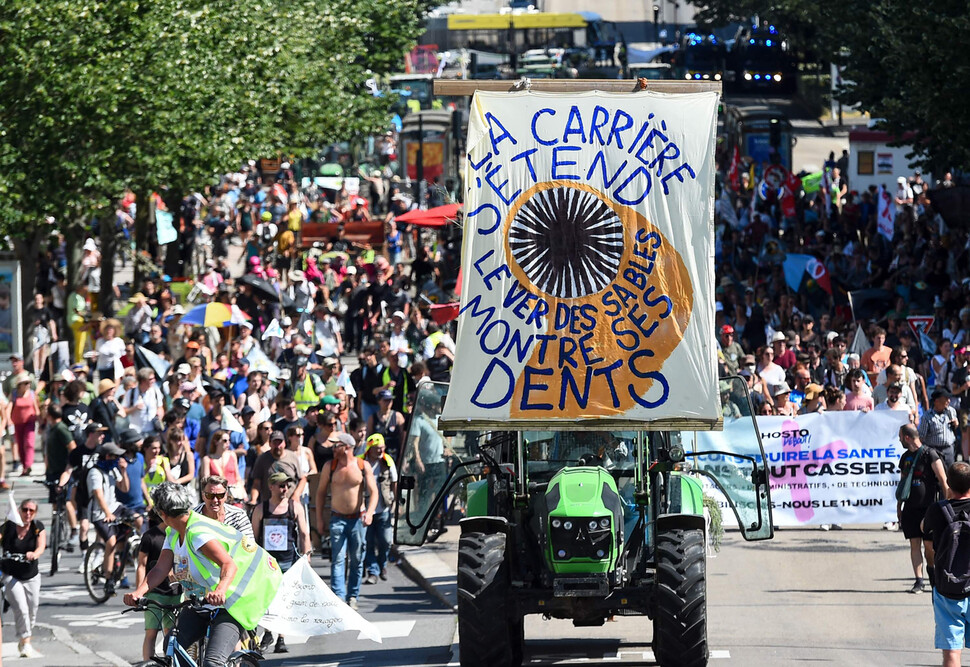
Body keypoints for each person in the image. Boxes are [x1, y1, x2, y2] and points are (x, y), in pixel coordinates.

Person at [124, 483, 282, 667]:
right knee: (172, 647)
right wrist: (139, 592)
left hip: (233, 600)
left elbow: (228, 564)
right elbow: (160, 568)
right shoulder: (173, 531)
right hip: (202, 599)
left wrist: (221, 591)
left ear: (162, 513)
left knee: (212, 663)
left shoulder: (197, 533)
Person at [315, 432, 378, 609]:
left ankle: (352, 596)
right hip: (337, 519)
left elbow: (374, 492)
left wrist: (370, 512)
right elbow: (320, 493)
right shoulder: (330, 466)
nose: (333, 449)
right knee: (338, 559)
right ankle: (338, 598)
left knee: (357, 559)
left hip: (357, 519)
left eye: (337, 445)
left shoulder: (362, 465)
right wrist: (319, 519)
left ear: (347, 447)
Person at [251, 471, 310, 654]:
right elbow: (252, 536)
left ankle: (281, 638)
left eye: (287, 485)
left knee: (284, 600)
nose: (285, 489)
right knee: (268, 599)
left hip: (288, 561)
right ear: (271, 487)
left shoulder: (295, 507)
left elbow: (304, 533)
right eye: (281, 485)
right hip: (267, 562)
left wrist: (306, 556)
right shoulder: (262, 509)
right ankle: (268, 631)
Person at [922, 462, 970, 667]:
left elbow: (924, 529)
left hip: (947, 588)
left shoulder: (937, 510)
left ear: (948, 483)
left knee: (952, 652)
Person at [897, 424, 948, 594]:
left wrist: (947, 506)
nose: (899, 440)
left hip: (929, 509)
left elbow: (943, 481)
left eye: (900, 437)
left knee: (929, 546)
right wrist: (899, 506)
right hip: (911, 508)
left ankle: (932, 573)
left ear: (907, 437)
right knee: (914, 543)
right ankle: (919, 581)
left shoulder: (930, 454)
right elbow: (902, 483)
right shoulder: (905, 457)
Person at [1, 499, 46, 658]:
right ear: (19, 510)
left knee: (32, 609)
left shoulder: (37, 527)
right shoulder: (9, 527)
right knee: (21, 608)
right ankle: (25, 641)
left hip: (31, 575)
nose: (28, 513)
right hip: (10, 575)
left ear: (35, 513)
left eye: (31, 511)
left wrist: (35, 554)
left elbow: (41, 546)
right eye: (25, 509)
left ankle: (25, 635)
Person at [136, 511, 181, 661]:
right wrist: (139, 592)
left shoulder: (179, 535)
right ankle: (147, 664)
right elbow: (142, 565)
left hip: (174, 593)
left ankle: (170, 662)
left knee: (170, 633)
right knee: (151, 633)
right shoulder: (150, 536)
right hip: (153, 592)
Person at [88, 441, 130, 595]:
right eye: (115, 456)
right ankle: (108, 579)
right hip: (100, 513)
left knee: (139, 519)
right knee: (110, 541)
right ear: (107, 456)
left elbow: (124, 488)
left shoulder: (113, 470)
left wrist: (124, 471)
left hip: (115, 507)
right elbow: (98, 495)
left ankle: (129, 551)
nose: (118, 459)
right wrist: (107, 514)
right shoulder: (95, 472)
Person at [361, 435, 397, 585]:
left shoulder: (387, 461)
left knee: (385, 541)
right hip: (367, 509)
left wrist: (396, 502)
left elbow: (394, 482)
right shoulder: (362, 462)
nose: (380, 451)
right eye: (377, 448)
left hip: (383, 508)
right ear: (370, 449)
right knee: (368, 542)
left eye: (382, 448)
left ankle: (382, 564)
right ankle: (373, 571)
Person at [192, 476, 254, 540]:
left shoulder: (238, 515)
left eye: (220, 495)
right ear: (203, 496)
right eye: (210, 495)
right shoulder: (192, 517)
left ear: (226, 496)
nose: (215, 500)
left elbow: (249, 545)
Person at [920, 389, 960, 468]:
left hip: (949, 449)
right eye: (946, 399)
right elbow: (922, 436)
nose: (948, 401)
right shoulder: (927, 416)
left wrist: (956, 424)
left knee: (950, 474)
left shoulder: (951, 411)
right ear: (937, 401)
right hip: (934, 451)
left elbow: (954, 426)